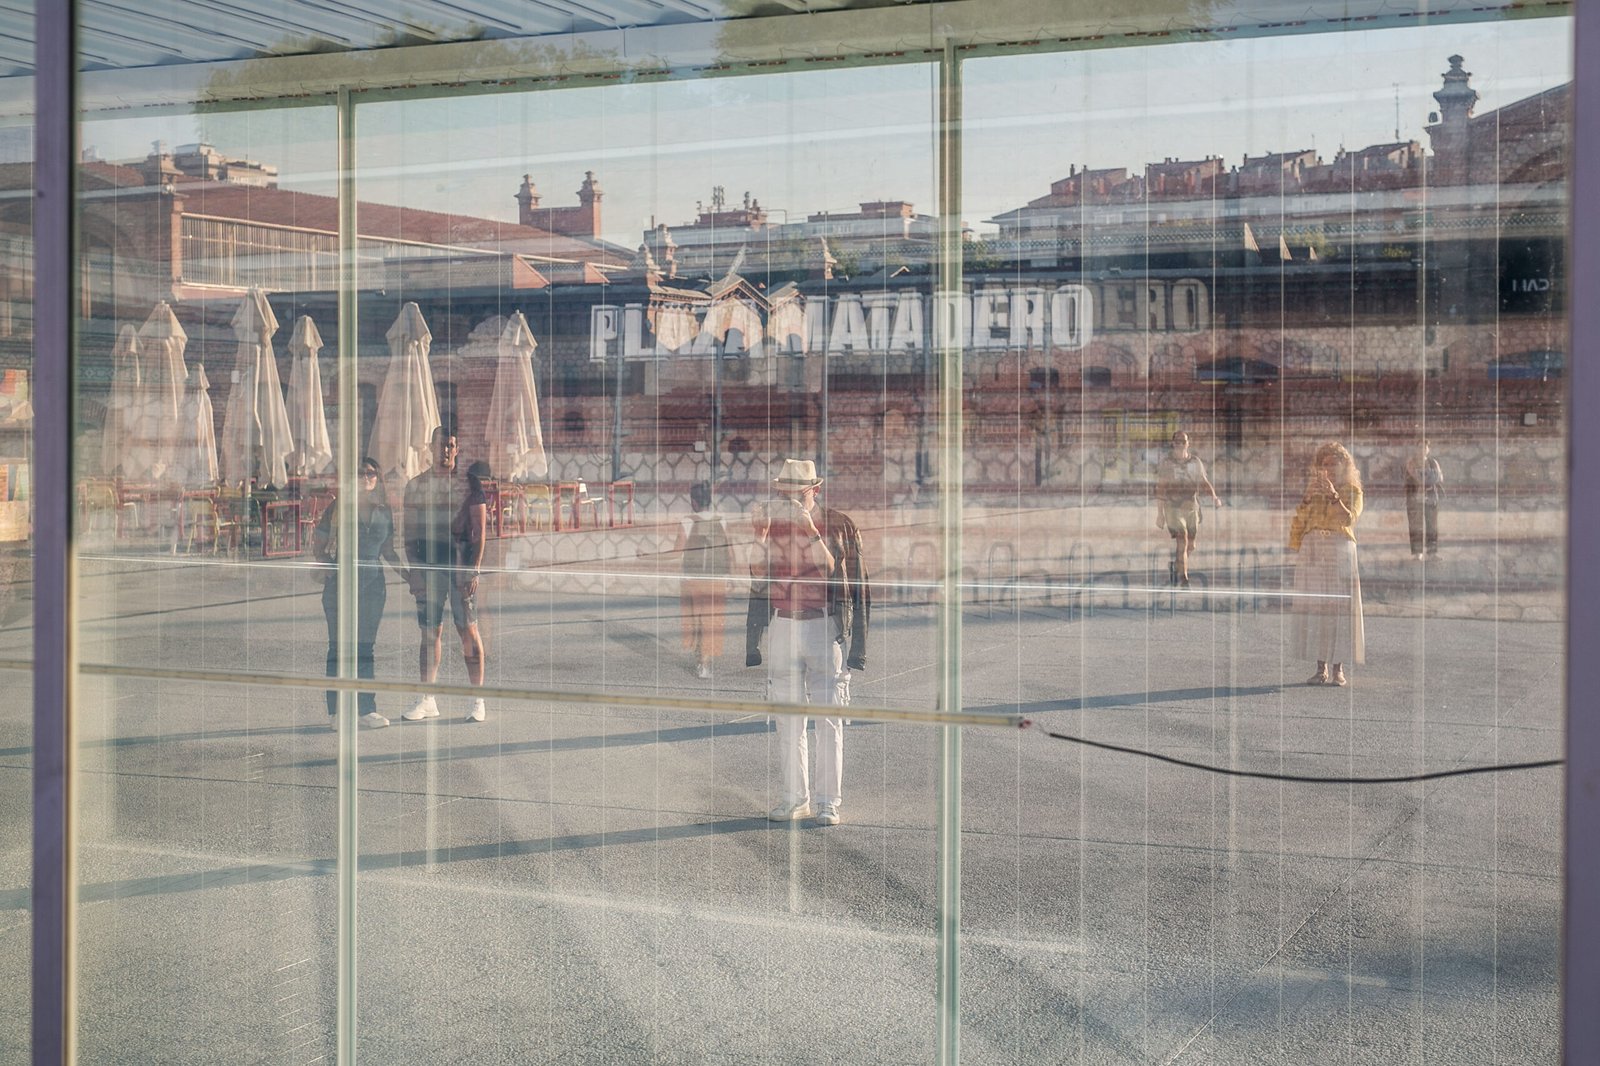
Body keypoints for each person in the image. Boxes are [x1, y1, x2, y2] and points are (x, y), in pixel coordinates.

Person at [746, 458, 870, 827]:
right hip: (784, 623)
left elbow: (834, 569)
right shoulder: (775, 525)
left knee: (828, 720)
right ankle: (793, 798)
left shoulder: (836, 524)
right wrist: (760, 534)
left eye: (796, 494)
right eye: (782, 494)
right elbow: (756, 575)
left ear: (816, 490)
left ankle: (828, 801)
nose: (789, 501)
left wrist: (808, 527)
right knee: (787, 720)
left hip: (823, 625)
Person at [401, 428, 490, 723]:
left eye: (450, 445)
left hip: (459, 568)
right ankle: (427, 698)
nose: (445, 450)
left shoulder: (470, 484)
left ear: (457, 448)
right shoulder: (416, 485)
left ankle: (477, 699)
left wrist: (473, 568)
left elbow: (480, 532)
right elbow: (410, 533)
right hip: (428, 569)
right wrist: (415, 570)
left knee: (468, 630)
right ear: (431, 447)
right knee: (430, 632)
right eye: (441, 444)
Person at [314, 458, 407, 729]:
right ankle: (337, 712)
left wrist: (411, 577)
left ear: (377, 479)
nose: (366, 477)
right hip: (340, 587)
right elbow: (318, 548)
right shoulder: (339, 508)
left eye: (371, 473)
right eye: (360, 473)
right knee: (339, 648)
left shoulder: (384, 512)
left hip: (372, 588)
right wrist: (332, 569)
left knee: (365, 648)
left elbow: (388, 552)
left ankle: (366, 709)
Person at [1288, 441, 1366, 686]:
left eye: (1335, 464)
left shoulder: (1352, 490)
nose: (1330, 468)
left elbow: (1348, 518)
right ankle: (1320, 668)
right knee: (1317, 607)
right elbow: (1299, 521)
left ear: (1345, 466)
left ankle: (1338, 669)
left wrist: (1333, 495)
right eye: (1325, 464)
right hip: (1313, 549)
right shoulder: (1312, 489)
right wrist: (1308, 498)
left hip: (1339, 548)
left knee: (1338, 608)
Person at [675, 481, 732, 679]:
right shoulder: (722, 520)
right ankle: (705, 661)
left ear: (693, 501)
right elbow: (729, 552)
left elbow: (676, 552)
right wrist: (730, 578)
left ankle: (701, 659)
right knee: (711, 622)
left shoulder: (687, 521)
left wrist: (647, 555)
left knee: (696, 621)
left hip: (692, 579)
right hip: (716, 579)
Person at [1154, 430, 1222, 587]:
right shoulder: (1167, 463)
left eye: (1182, 442)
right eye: (1177, 441)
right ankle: (1184, 578)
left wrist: (1214, 497)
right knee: (1182, 540)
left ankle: (1177, 565)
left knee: (1191, 546)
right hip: (1173, 507)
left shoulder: (1195, 462)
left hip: (1192, 506)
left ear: (1188, 444)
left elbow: (1204, 482)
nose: (1179, 445)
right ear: (1173, 443)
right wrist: (1160, 514)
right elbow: (1161, 488)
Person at [1404, 440, 1445, 560]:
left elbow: (1439, 477)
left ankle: (1432, 552)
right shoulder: (1411, 462)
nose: (1422, 450)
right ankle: (1417, 552)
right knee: (1416, 525)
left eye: (1425, 447)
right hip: (1415, 498)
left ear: (1428, 449)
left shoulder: (1433, 462)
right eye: (1420, 447)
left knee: (1432, 525)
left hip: (1431, 497)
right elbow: (1416, 477)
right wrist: (1428, 477)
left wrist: (1427, 476)